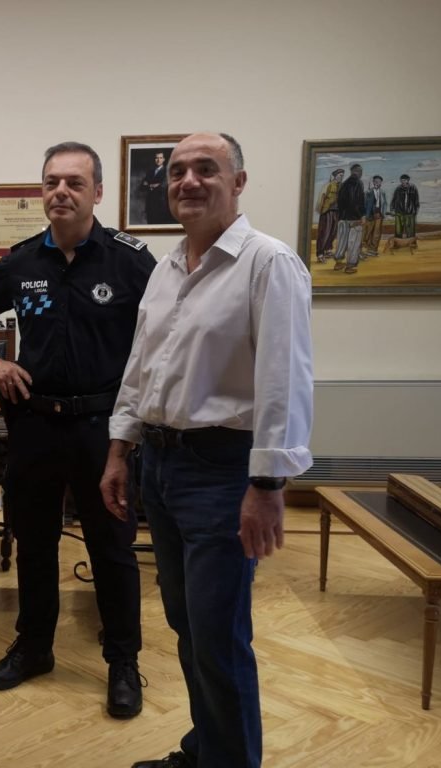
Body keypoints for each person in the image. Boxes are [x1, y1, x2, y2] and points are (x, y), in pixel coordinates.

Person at [101, 132, 313, 768]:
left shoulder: (268, 263)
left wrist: (268, 486)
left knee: (219, 635)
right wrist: (119, 450)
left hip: (223, 472)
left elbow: (284, 380)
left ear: (238, 182)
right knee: (187, 623)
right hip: (161, 466)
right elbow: (141, 368)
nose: (188, 181)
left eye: (206, 169)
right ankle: (206, 750)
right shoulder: (167, 270)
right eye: (177, 172)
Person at [0, 141, 156, 718]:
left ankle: (123, 661)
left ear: (98, 192)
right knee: (35, 542)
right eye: (51, 182)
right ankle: (34, 647)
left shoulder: (130, 261)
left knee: (112, 547)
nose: (61, 192)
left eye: (74, 182)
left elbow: (165, 334)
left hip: (103, 429)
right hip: (36, 423)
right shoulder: (23, 261)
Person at [332, 163, 365, 274]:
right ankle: (350, 266)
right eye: (360, 171)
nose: (361, 173)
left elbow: (340, 202)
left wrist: (341, 215)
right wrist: (362, 215)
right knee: (354, 243)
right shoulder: (359, 183)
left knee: (342, 241)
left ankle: (338, 263)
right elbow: (358, 201)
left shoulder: (344, 184)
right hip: (354, 218)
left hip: (342, 218)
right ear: (357, 171)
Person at [314, 168, 343, 261]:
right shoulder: (328, 185)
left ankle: (328, 249)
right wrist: (321, 211)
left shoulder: (341, 186)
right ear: (335, 176)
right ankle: (320, 254)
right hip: (327, 212)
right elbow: (322, 198)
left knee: (333, 232)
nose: (341, 177)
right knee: (325, 232)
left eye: (342, 176)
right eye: (340, 175)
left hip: (337, 212)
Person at [140, 151, 170, 224]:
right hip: (150, 205)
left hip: (161, 205)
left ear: (164, 159)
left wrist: (148, 185)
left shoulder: (167, 172)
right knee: (150, 225)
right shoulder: (150, 172)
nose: (158, 160)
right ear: (154, 159)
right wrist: (152, 185)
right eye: (157, 158)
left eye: (160, 158)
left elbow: (163, 186)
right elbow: (142, 187)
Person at [362, 175, 388, 257]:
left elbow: (385, 203)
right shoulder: (368, 192)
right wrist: (364, 215)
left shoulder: (382, 192)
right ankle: (364, 249)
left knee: (376, 233)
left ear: (381, 183)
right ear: (373, 182)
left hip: (379, 215)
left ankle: (373, 250)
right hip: (370, 215)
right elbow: (364, 204)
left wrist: (383, 213)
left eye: (379, 182)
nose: (377, 183)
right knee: (367, 232)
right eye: (376, 181)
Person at [391, 173, 420, 239]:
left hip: (410, 212)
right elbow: (394, 199)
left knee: (410, 231)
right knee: (398, 230)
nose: (403, 182)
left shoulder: (413, 188)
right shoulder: (398, 188)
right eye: (401, 180)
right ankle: (397, 243)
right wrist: (392, 209)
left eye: (404, 180)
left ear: (408, 180)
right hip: (399, 212)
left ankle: (411, 243)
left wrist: (416, 210)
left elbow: (416, 200)